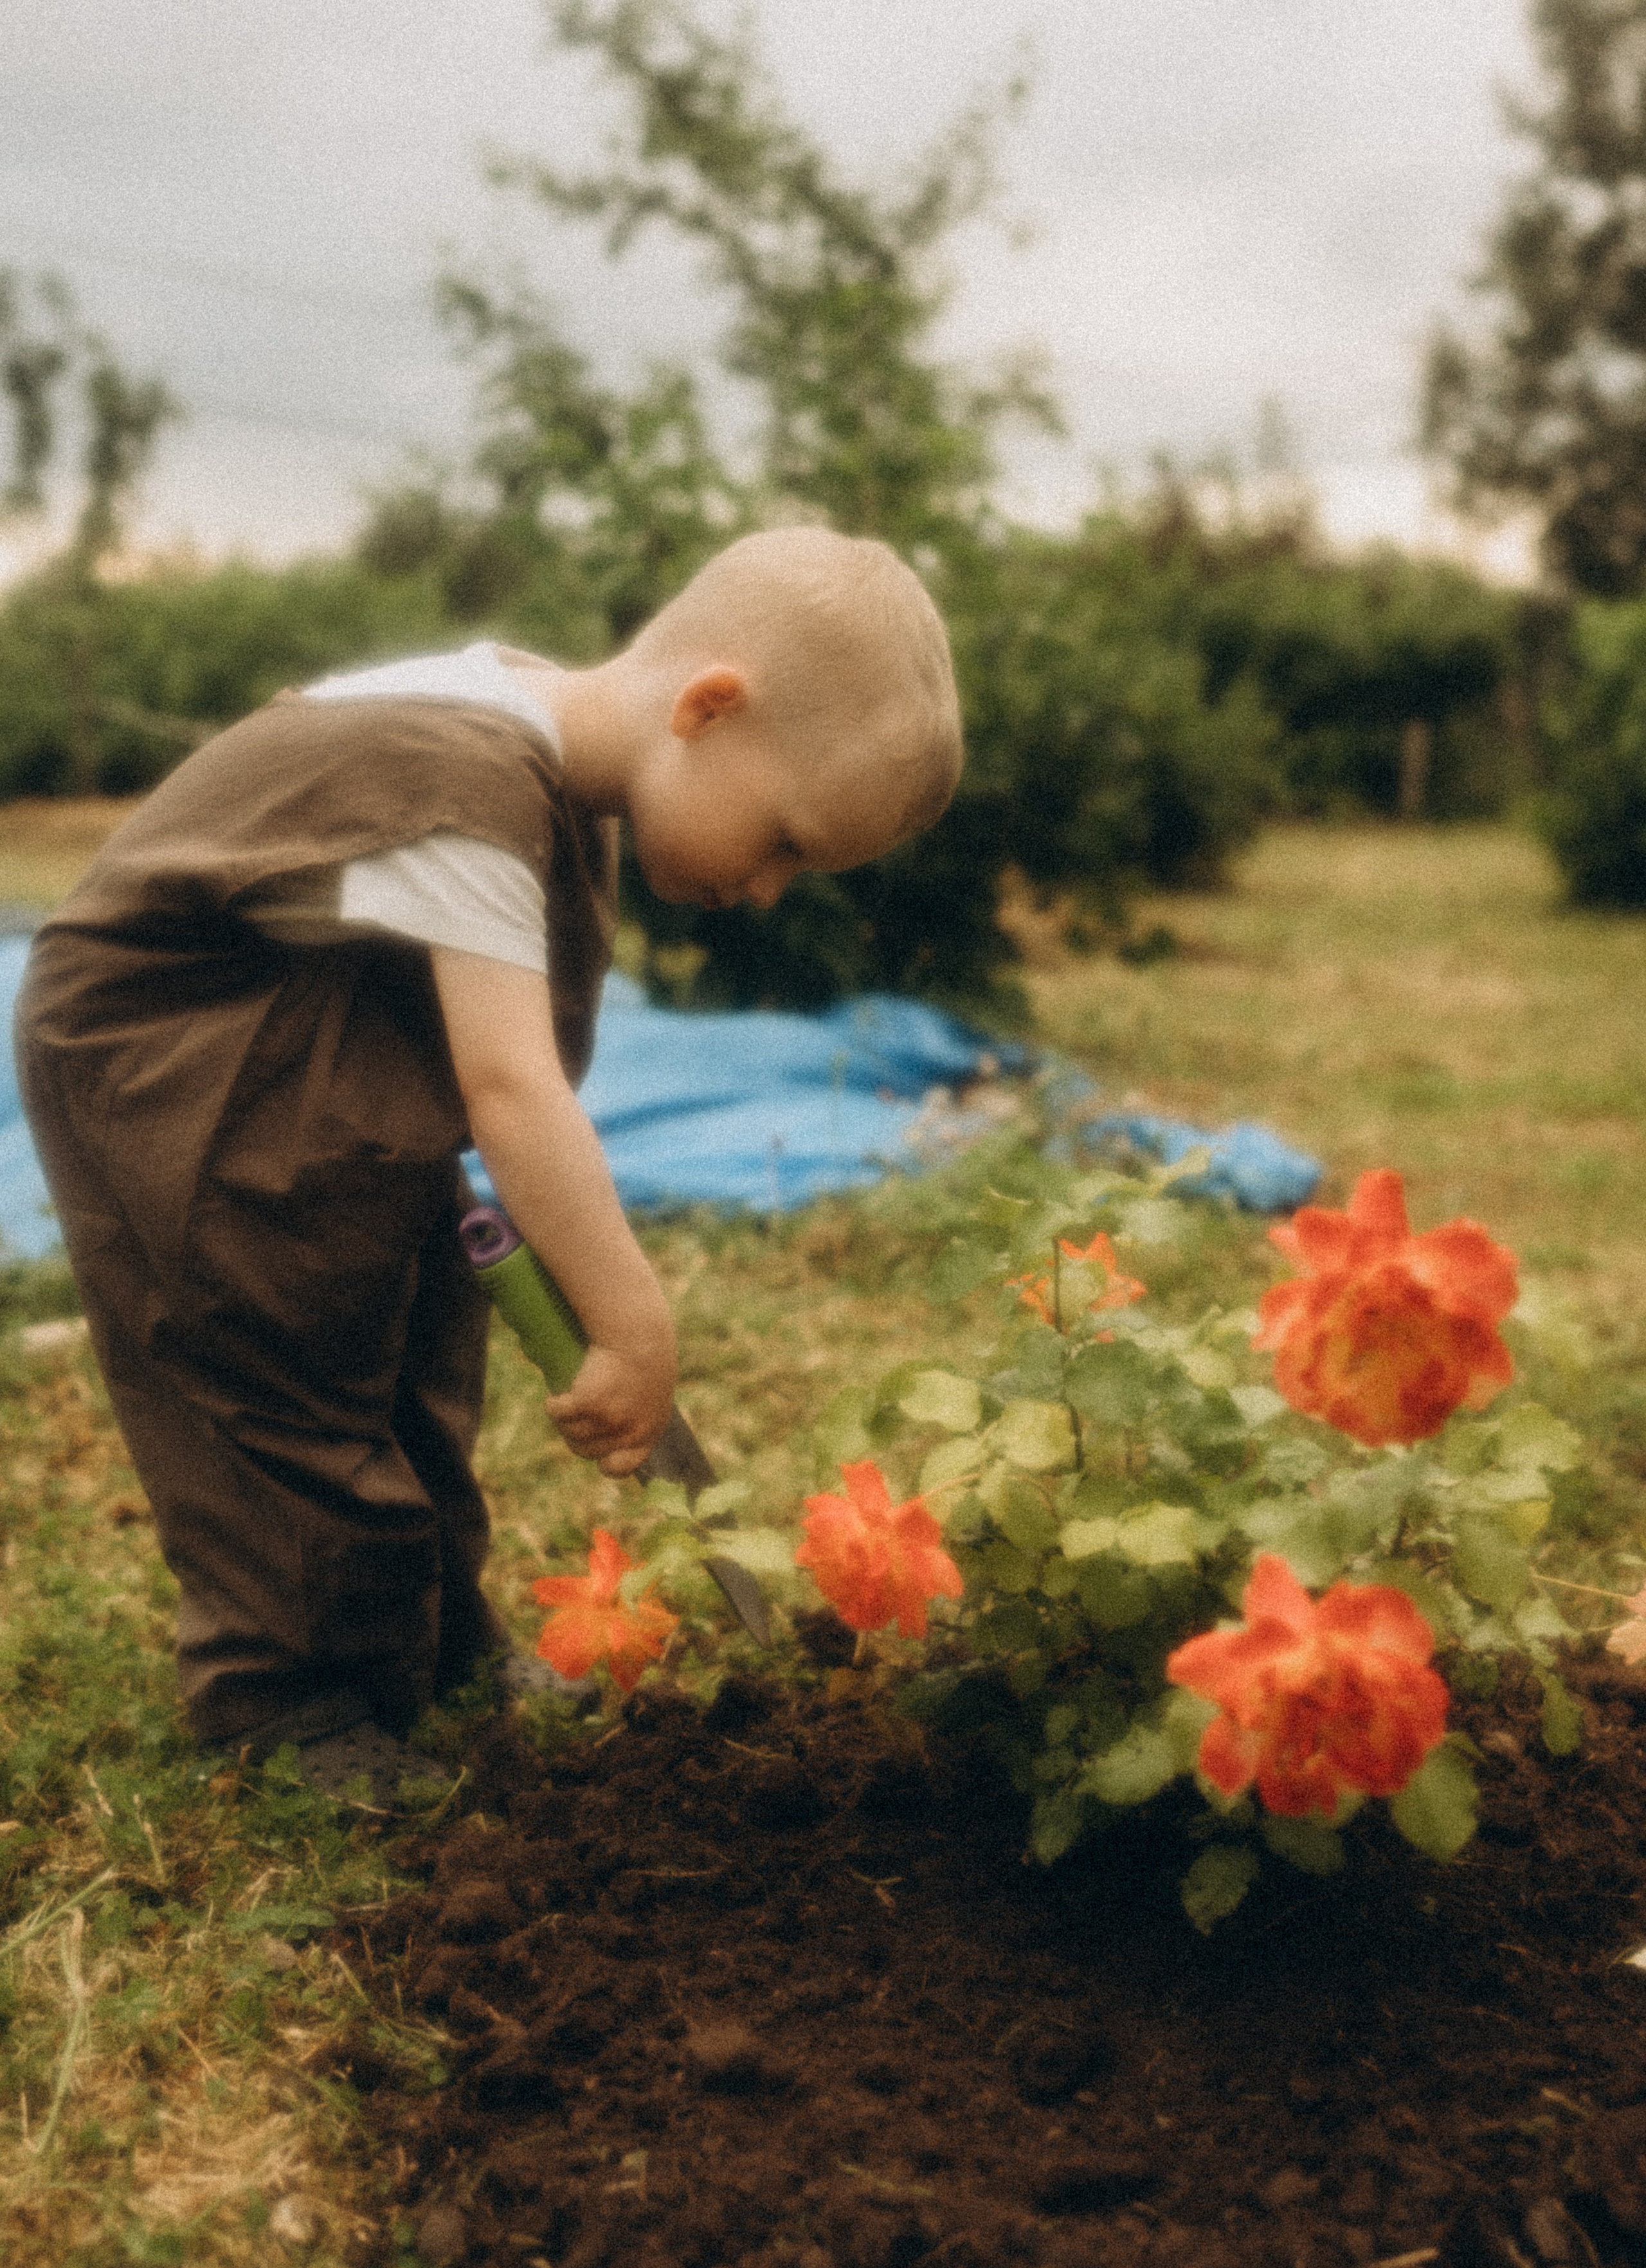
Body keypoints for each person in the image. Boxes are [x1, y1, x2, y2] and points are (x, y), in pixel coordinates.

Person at [14, 528, 963, 1798]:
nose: (769, 888)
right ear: (708, 708)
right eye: (784, 840)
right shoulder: (469, 780)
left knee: (415, 1345)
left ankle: (438, 1645)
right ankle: (281, 1703)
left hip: (323, 1044)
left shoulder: (552, 749)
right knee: (282, 1363)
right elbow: (510, 1088)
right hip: (184, 1059)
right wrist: (628, 1315)